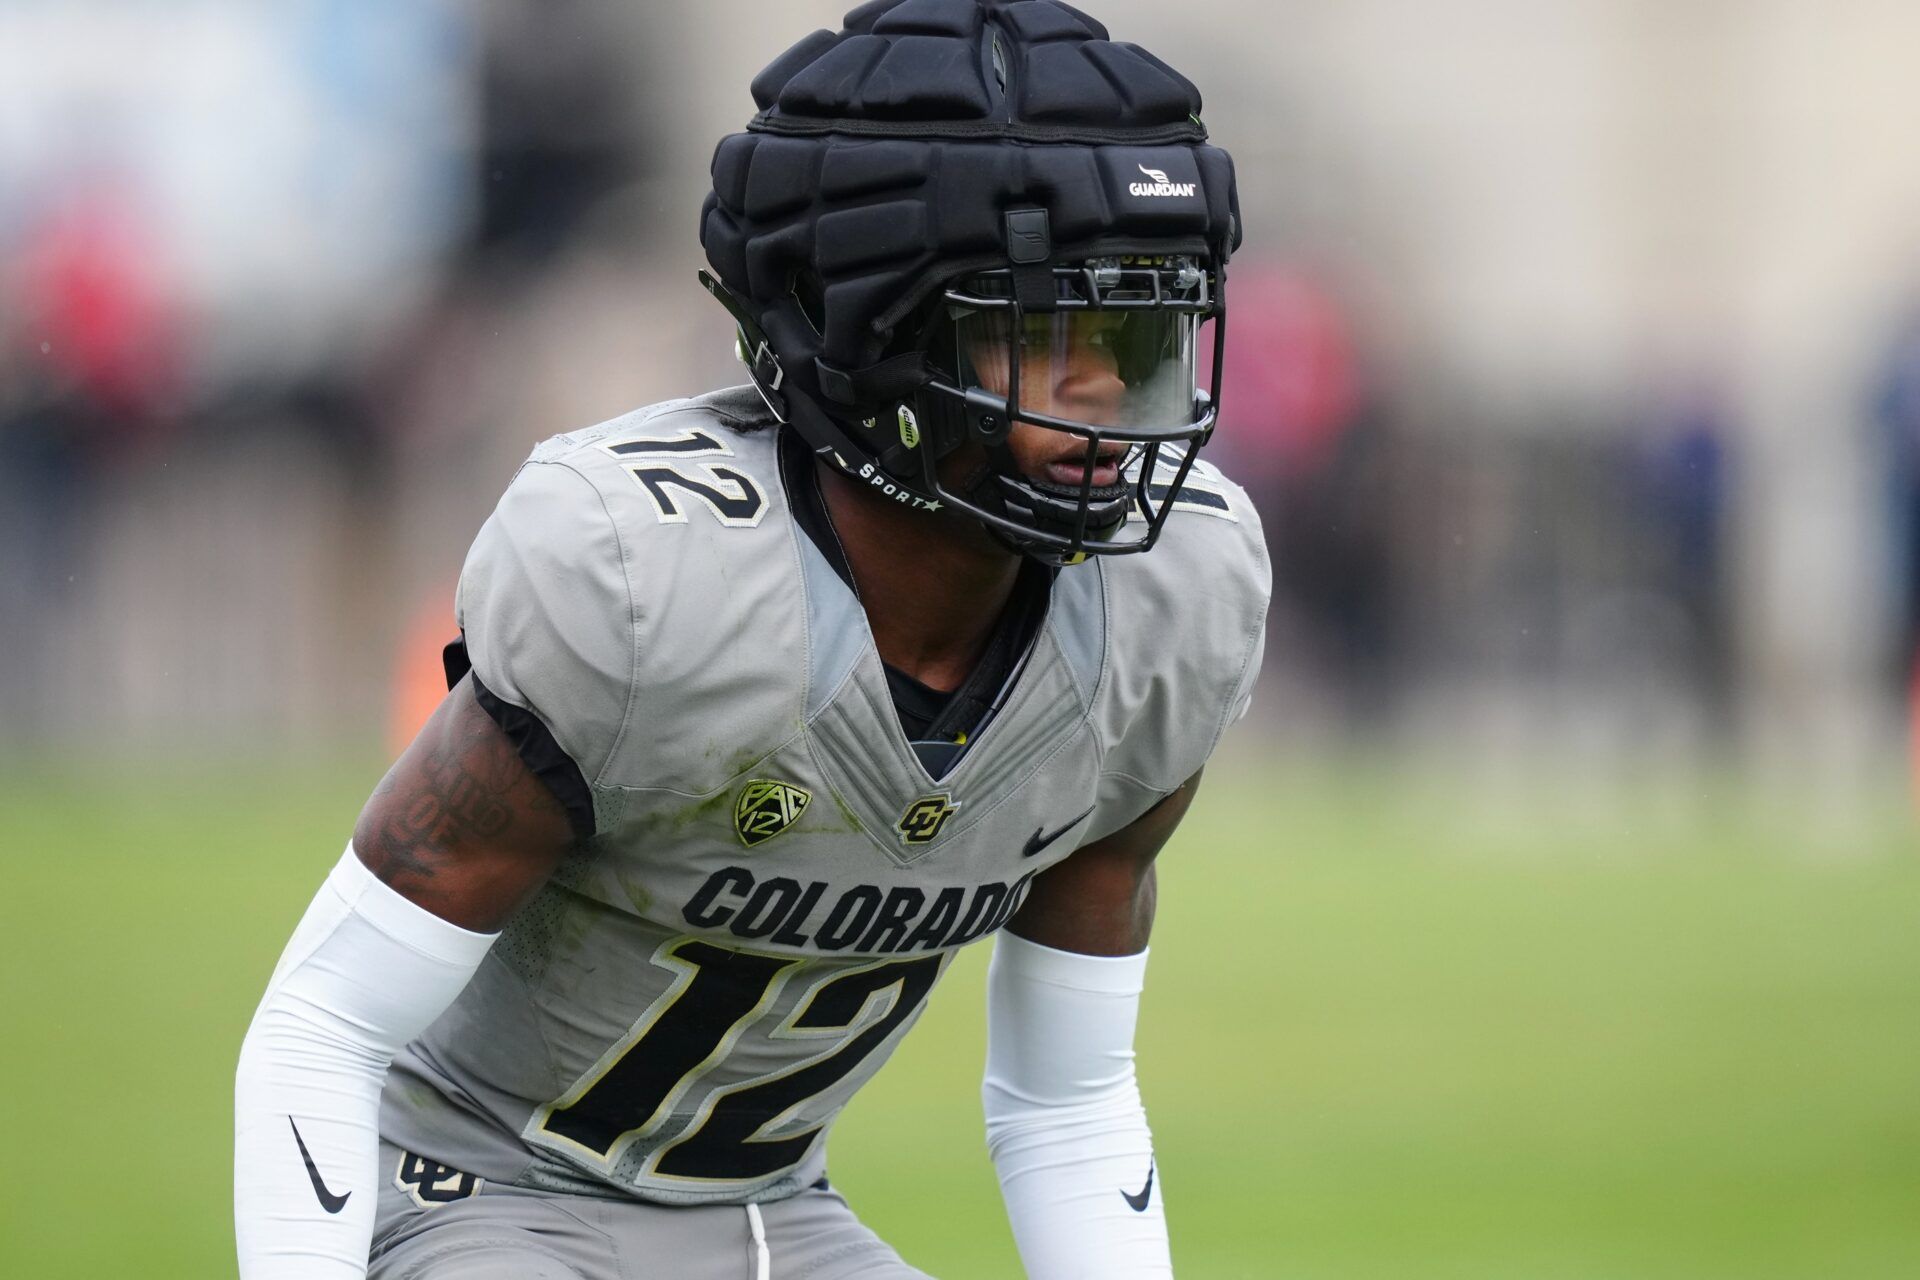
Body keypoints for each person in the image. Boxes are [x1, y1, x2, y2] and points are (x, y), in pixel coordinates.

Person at [233, 2, 1268, 1276]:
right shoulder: (652, 579)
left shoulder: (1176, 598)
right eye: (1053, 337)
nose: (1117, 403)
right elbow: (324, 1022)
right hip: (476, 1192)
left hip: (780, 1218)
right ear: (875, 337)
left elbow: (1068, 1098)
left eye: (1145, 338)